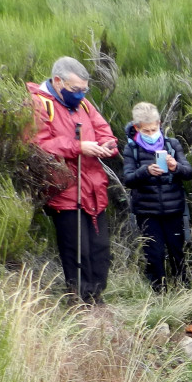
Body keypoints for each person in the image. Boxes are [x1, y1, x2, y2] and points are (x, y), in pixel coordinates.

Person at [27, 56, 117, 304]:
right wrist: (78, 147)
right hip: (65, 189)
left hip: (94, 187)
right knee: (77, 249)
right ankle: (80, 301)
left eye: (84, 90)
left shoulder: (85, 105)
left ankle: (96, 297)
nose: (81, 94)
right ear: (58, 81)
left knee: (99, 248)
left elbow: (104, 131)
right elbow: (37, 144)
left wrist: (108, 146)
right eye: (76, 89)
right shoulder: (38, 104)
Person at [122, 102, 192, 292]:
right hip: (147, 211)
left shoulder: (172, 144)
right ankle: (159, 292)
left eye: (154, 129)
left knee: (177, 251)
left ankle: (184, 289)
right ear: (137, 128)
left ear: (159, 123)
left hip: (173, 209)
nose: (152, 133)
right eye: (146, 131)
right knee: (154, 254)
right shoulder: (132, 149)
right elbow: (128, 179)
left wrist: (175, 167)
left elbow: (188, 173)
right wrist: (145, 171)